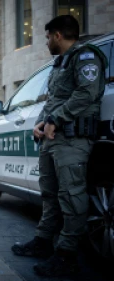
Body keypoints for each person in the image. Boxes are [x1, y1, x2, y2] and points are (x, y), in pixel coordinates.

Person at [11, 15, 107, 277]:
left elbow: (86, 93)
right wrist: (41, 122)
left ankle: (67, 255)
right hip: (53, 139)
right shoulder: (59, 63)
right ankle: (43, 242)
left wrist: (55, 118)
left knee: (71, 197)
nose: (45, 42)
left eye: (46, 37)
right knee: (50, 195)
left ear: (57, 35)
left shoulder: (86, 57)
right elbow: (53, 100)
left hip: (73, 140)